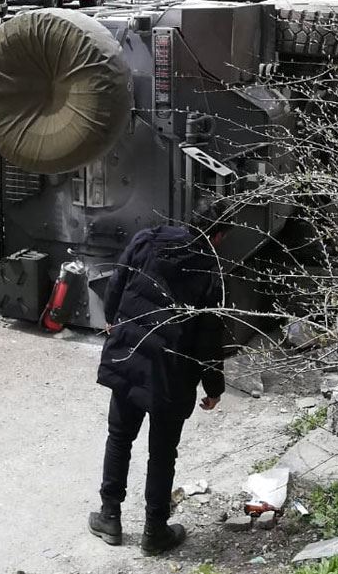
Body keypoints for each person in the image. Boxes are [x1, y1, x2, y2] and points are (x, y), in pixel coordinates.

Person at [88, 224, 226, 556]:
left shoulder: (146, 240)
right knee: (162, 454)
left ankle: (110, 517)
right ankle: (154, 531)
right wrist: (213, 386)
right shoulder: (208, 268)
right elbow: (210, 336)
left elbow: (117, 282)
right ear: (219, 236)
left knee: (119, 437)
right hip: (172, 374)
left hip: (129, 354)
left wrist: (113, 322)